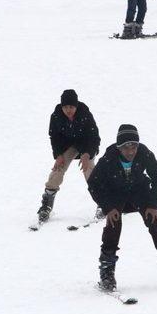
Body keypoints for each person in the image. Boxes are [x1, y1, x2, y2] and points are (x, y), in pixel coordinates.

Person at [87, 124, 157, 292]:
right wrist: (108, 207)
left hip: (139, 191)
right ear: (119, 148)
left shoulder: (144, 152)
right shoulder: (109, 157)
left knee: (154, 220)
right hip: (115, 194)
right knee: (113, 223)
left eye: (134, 146)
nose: (131, 151)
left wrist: (153, 205)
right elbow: (94, 184)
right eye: (126, 147)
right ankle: (107, 272)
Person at [36, 90, 101, 224]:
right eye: (65, 107)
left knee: (88, 168)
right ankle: (47, 203)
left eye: (71, 107)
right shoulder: (56, 116)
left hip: (86, 144)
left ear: (76, 106)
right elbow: (54, 137)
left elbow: (94, 137)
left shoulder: (85, 114)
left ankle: (103, 202)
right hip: (67, 146)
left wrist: (87, 153)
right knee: (58, 169)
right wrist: (58, 155)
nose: (68, 110)